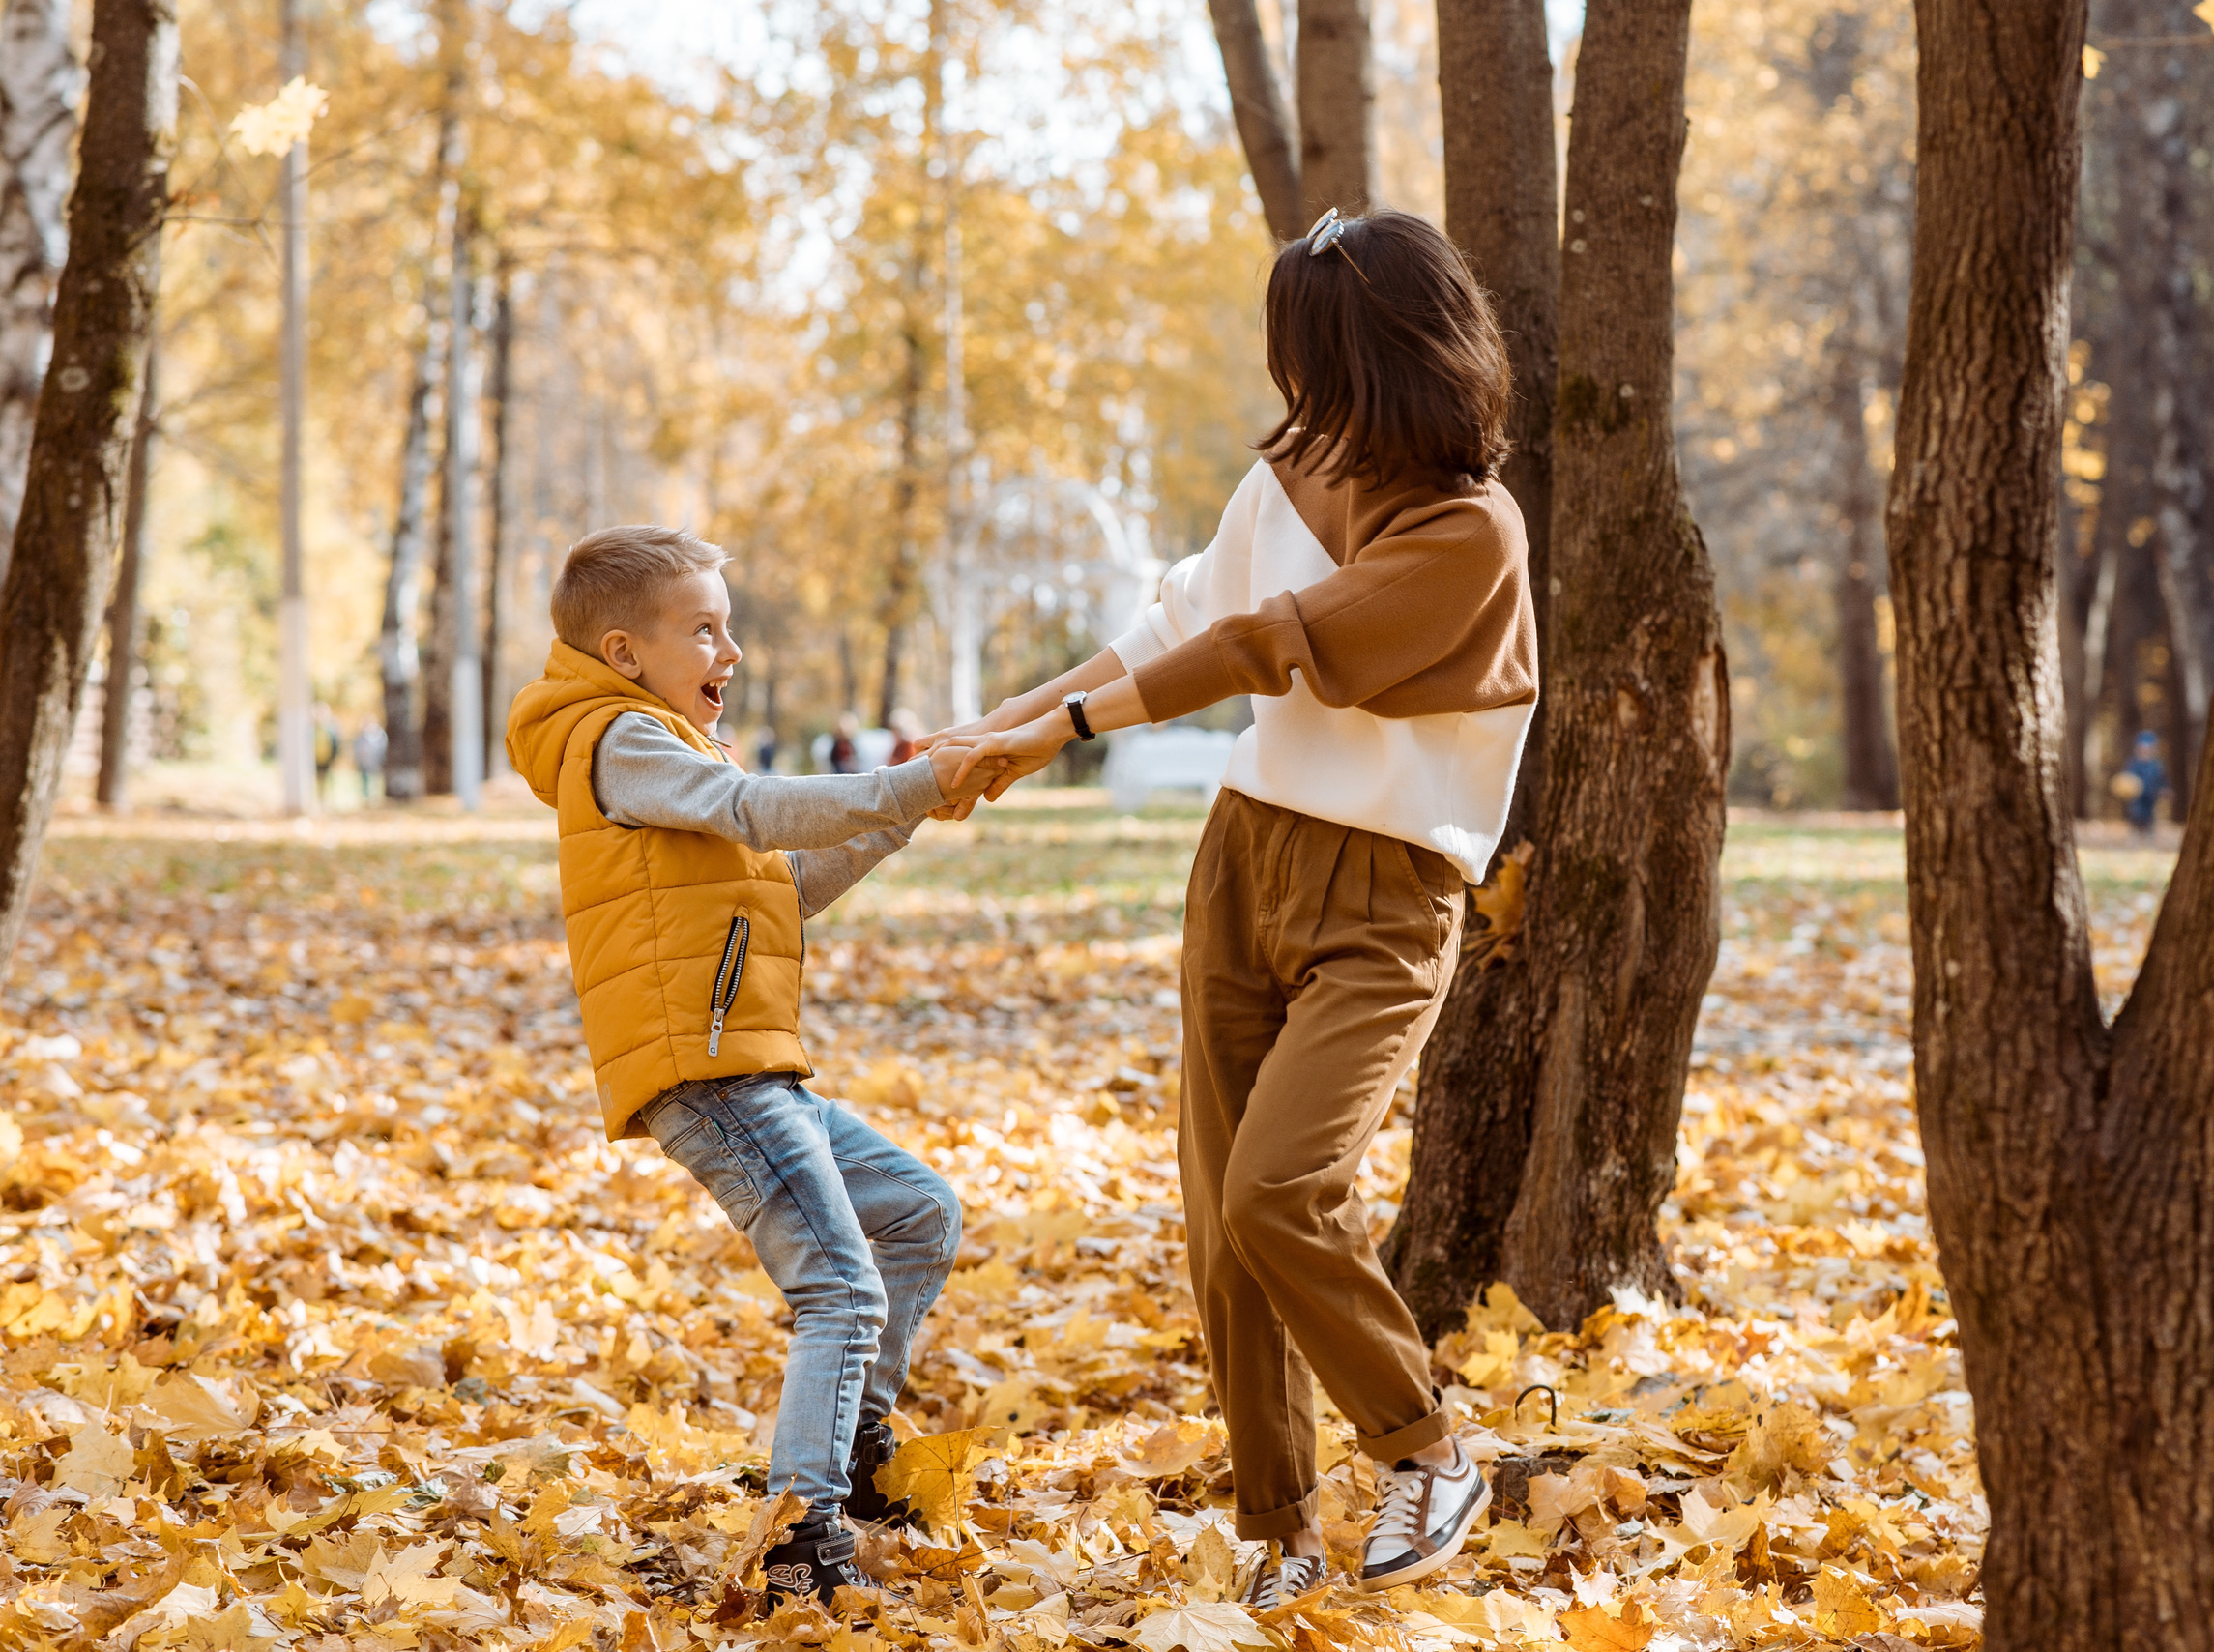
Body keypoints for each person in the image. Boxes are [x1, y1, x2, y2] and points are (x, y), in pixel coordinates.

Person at [936, 208, 1534, 1605]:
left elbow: (1267, 644)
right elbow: (1171, 624)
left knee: (1279, 1189)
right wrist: (1002, 725)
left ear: (1387, 356)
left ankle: (1427, 1447)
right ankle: (1282, 1536)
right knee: (1220, 1221)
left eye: (1312, 359)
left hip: (1384, 897)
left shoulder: (1471, 536)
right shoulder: (1291, 473)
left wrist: (1059, 732)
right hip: (1246, 860)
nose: (1296, 392)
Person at [504, 526, 1001, 1609]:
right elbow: (753, 811)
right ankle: (802, 1533)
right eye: (705, 629)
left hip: (751, 1063)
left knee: (919, 1210)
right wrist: (901, 779)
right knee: (840, 1285)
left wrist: (914, 804)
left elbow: (786, 882)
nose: (729, 650)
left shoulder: (670, 749)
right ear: (625, 650)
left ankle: (850, 1444)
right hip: (706, 1068)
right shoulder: (620, 741)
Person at [2117, 729, 2170, 835]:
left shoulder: (2157, 765)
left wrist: (2166, 789)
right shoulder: (2133, 764)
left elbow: (2162, 779)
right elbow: (2126, 778)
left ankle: (2149, 836)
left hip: (2152, 797)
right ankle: (2135, 834)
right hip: (2137, 798)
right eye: (2142, 748)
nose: (2145, 751)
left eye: (2148, 749)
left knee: (2150, 818)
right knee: (2136, 815)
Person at [352, 720, 388, 803]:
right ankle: (365, 796)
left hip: (375, 761)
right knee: (364, 779)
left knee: (375, 779)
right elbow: (357, 748)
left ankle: (375, 796)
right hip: (363, 761)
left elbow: (381, 749)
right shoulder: (360, 737)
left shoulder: (379, 736)